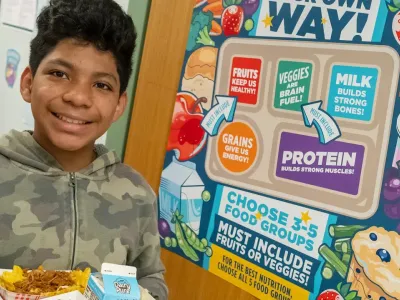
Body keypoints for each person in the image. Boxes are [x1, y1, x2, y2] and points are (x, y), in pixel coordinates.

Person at [0, 0, 168, 299]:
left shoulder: (137, 194)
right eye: (59, 74)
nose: (78, 97)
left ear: (119, 106)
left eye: (102, 85)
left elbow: (151, 278)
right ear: (28, 83)